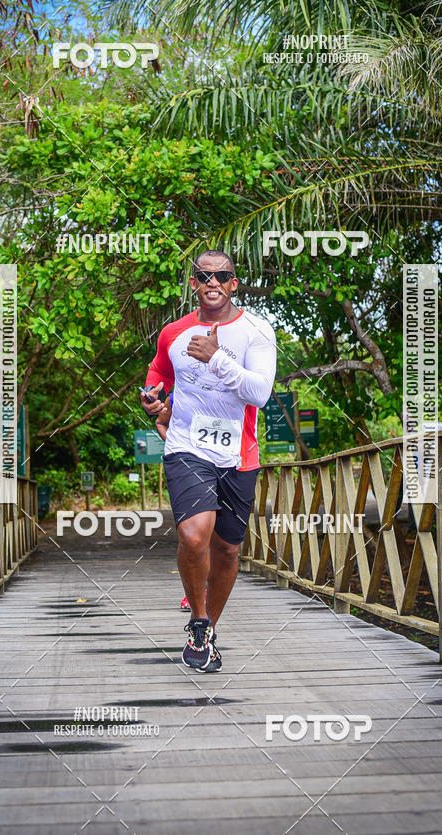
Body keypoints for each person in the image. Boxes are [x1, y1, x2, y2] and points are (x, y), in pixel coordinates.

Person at [140, 249, 276, 672]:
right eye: (203, 276)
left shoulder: (257, 331)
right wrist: (152, 401)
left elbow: (260, 393)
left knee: (227, 550)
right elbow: (157, 374)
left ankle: (207, 634)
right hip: (186, 446)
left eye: (222, 275)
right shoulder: (173, 332)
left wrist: (216, 359)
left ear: (234, 283)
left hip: (239, 455)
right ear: (194, 284)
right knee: (195, 535)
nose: (212, 282)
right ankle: (198, 620)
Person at [155, 393, 206, 613]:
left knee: (219, 536)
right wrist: (177, 447)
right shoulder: (177, 396)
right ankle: (196, 594)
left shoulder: (230, 382)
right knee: (193, 534)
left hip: (227, 465)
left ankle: (207, 591)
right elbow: (160, 422)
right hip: (189, 468)